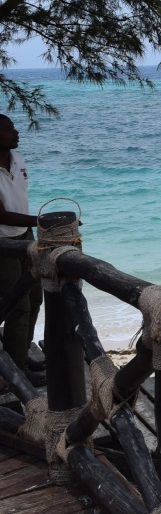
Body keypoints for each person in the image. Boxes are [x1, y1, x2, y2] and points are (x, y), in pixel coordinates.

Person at [0, 114, 40, 376]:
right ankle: (14, 373)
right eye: (9, 129)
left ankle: (21, 355)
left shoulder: (18, 160)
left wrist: (31, 227)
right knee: (17, 305)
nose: (16, 133)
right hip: (2, 242)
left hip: (25, 235)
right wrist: (41, 220)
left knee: (36, 297)